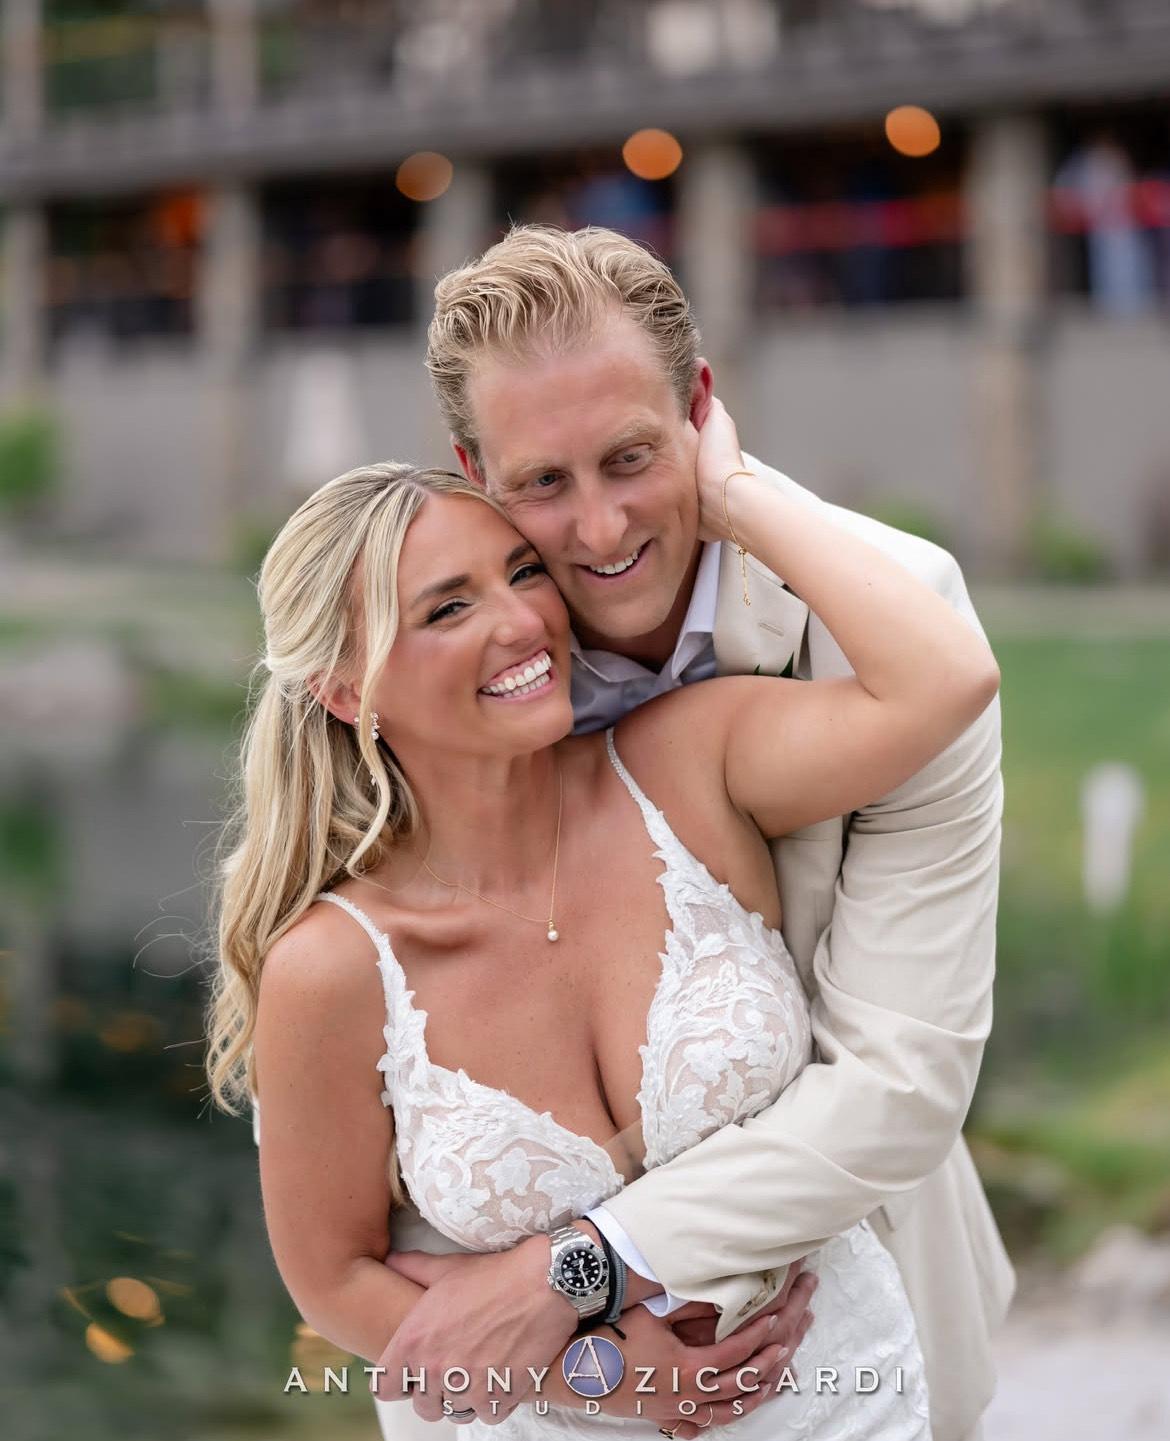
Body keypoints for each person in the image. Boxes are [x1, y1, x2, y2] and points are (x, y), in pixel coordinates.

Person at [208, 382, 998, 1438]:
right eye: (448, 608)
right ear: (348, 692)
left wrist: (731, 491)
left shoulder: (687, 758)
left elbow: (943, 682)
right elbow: (335, 1277)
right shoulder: (330, 967)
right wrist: (593, 1373)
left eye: (522, 571)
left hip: (845, 1404)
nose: (521, 622)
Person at [369, 224, 1015, 1441]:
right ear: (471, 470)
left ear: (701, 408)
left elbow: (900, 1082)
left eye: (632, 458)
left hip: (833, 1323)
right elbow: (376, 1109)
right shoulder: (439, 672)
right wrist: (580, 1366)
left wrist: (572, 1272)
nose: (602, 530)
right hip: (522, 1388)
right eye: (542, 483)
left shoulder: (895, 632)